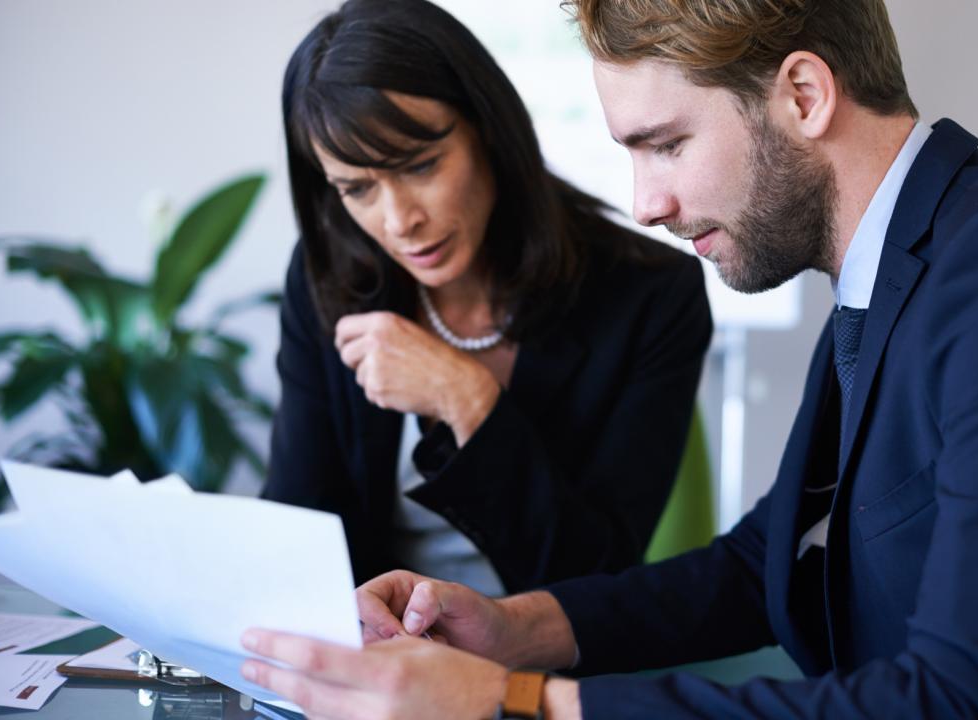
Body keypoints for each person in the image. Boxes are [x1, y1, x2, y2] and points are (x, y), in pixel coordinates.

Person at [242, 0, 978, 718]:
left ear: (804, 94)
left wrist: (521, 702)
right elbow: (757, 563)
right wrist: (513, 631)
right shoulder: (897, 272)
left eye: (665, 144)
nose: (646, 202)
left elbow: (962, 698)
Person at [261, 0, 713, 594]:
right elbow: (298, 536)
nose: (399, 221)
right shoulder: (330, 276)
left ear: (489, 133)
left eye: (420, 166)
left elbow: (595, 579)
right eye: (357, 188)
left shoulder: (651, 296)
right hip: (376, 643)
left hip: (545, 649)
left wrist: (467, 400)